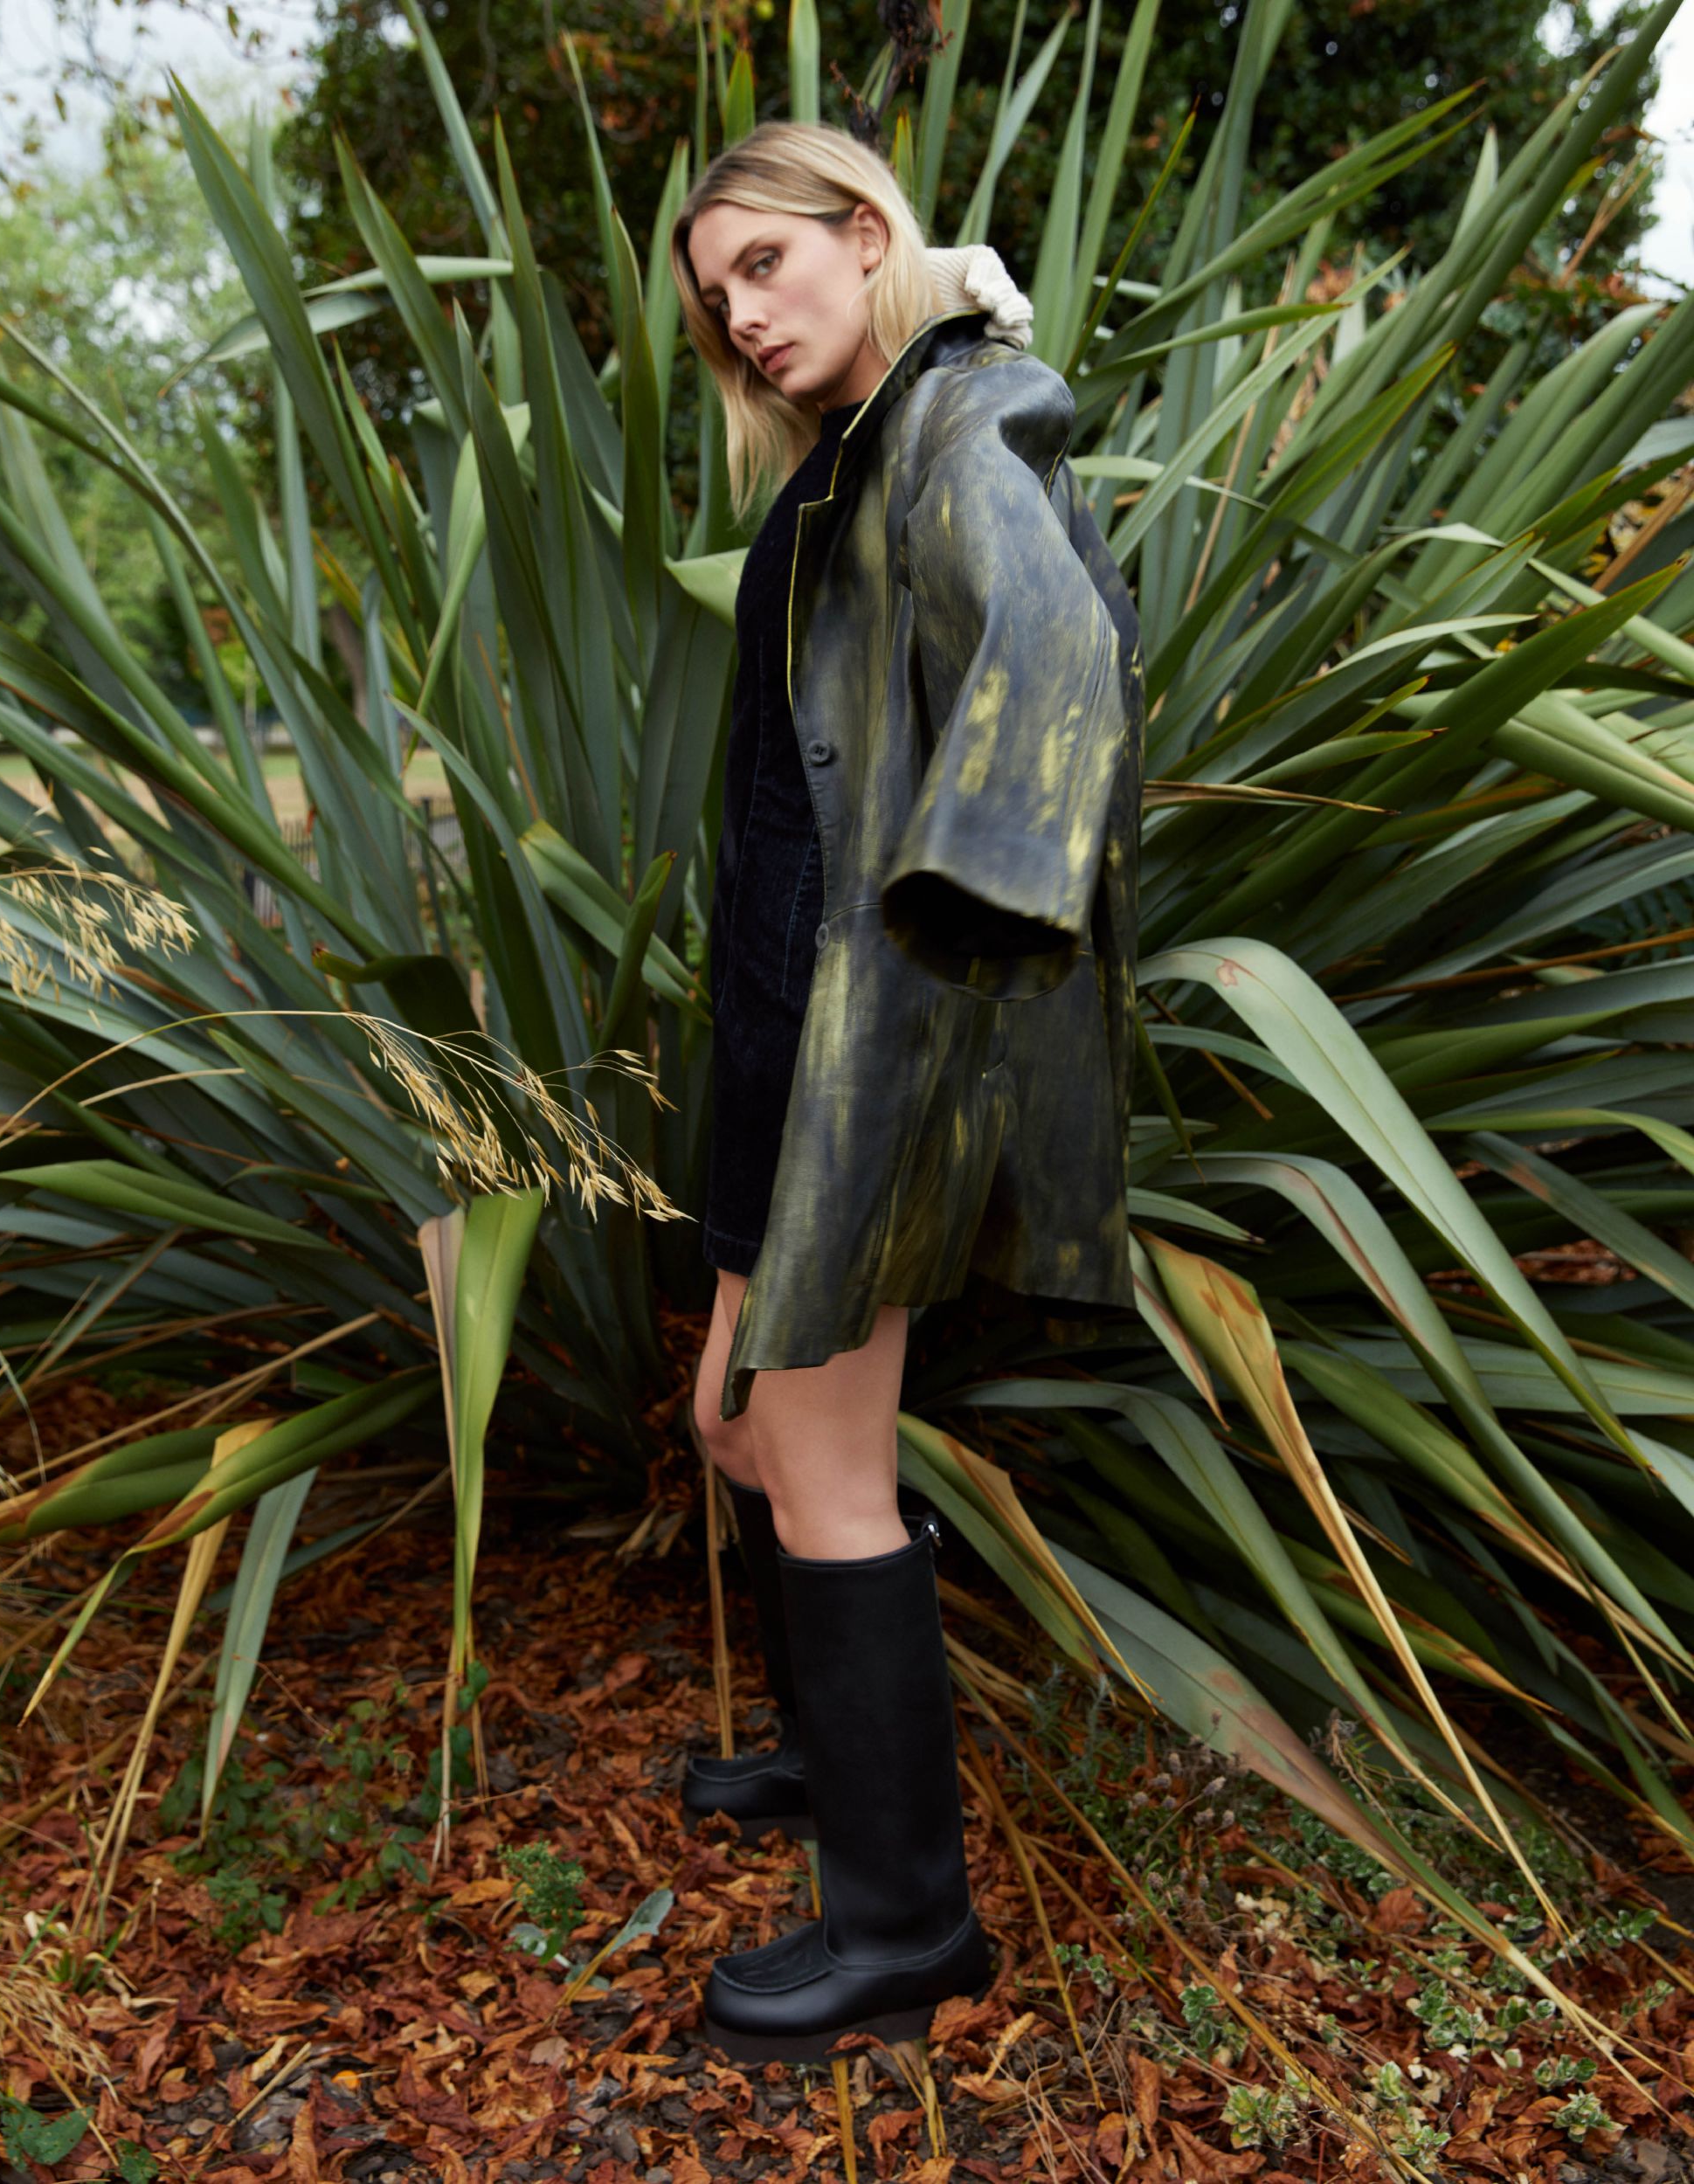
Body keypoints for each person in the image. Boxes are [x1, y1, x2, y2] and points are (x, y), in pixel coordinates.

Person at [668, 121, 1145, 2065]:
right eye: (715, 297)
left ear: (866, 232)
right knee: (734, 1421)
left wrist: (971, 897)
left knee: (822, 1464)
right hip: (777, 1023)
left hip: (862, 1038)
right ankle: (837, 1758)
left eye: (765, 264)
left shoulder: (961, 419)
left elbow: (1060, 646)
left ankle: (906, 1921)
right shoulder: (853, 449)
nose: (741, 314)